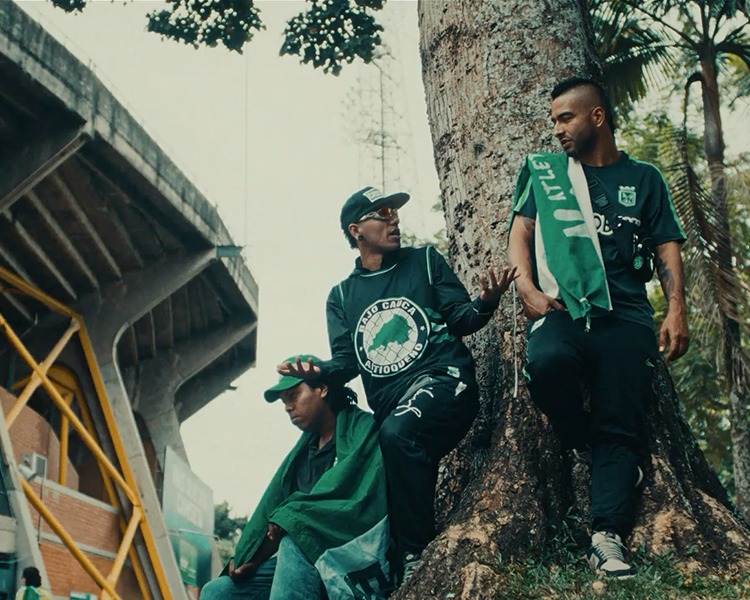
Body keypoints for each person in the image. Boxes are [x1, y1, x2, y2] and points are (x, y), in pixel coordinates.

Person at [279, 188, 515, 585]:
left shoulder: (424, 262)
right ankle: (388, 570)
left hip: (445, 382)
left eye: (396, 212)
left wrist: (486, 302)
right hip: (396, 411)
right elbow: (347, 362)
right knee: (384, 460)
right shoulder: (341, 296)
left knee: (397, 433)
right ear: (356, 230)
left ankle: (415, 554)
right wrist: (317, 371)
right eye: (384, 212)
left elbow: (461, 318)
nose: (395, 219)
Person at [507, 76, 690, 579]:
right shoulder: (548, 175)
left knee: (621, 424)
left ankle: (607, 538)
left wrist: (677, 309)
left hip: (627, 318)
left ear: (597, 117)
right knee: (546, 366)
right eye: (553, 121)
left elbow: (667, 245)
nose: (557, 130)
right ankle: (582, 439)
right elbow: (520, 232)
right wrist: (526, 287)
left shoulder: (645, 178)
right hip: (564, 312)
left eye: (565, 118)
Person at [200, 355, 387, 600]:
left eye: (294, 395)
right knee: (216, 592)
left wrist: (293, 519)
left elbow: (348, 504)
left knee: (295, 537)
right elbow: (276, 511)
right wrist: (250, 557)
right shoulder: (304, 452)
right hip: (307, 558)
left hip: (350, 553)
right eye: (284, 401)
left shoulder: (362, 429)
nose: (288, 407)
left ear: (322, 389)